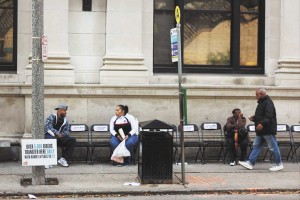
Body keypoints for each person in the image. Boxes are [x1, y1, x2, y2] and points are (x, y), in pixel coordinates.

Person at [239, 88, 284, 172]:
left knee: (273, 147)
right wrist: (254, 118)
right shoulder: (262, 102)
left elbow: (269, 116)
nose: (255, 96)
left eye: (257, 94)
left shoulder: (268, 102)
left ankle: (279, 164)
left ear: (262, 94)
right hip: (262, 130)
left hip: (267, 129)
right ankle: (250, 163)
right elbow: (262, 116)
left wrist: (261, 124)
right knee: (256, 146)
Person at [44, 103, 76, 168]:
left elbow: (67, 131)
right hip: (50, 136)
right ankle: (48, 161)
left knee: (72, 140)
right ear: (59, 111)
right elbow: (47, 127)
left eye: (65, 111)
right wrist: (56, 133)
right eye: (63, 110)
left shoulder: (65, 120)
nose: (65, 112)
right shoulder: (52, 116)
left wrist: (61, 134)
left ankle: (63, 159)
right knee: (50, 140)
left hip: (59, 137)